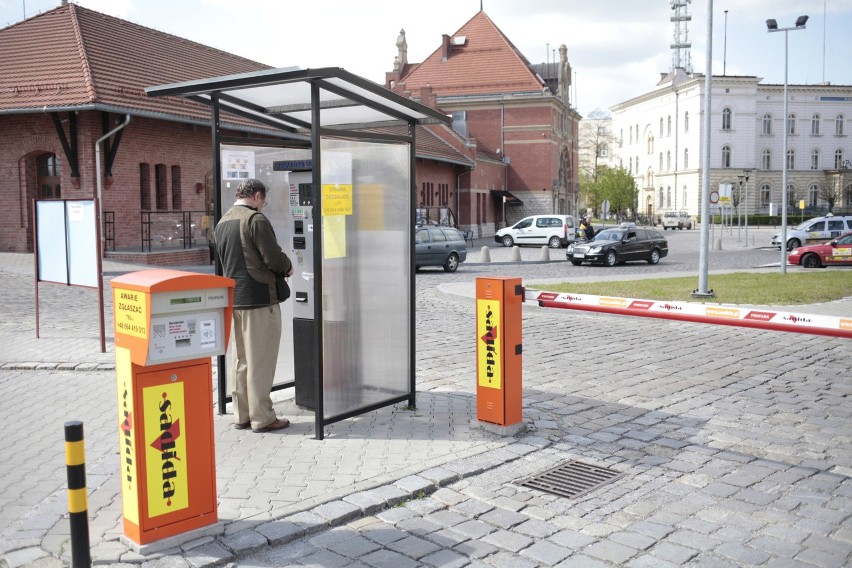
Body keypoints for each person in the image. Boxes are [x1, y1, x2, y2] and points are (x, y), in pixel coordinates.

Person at [214, 178, 293, 433]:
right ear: (257, 196)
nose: (264, 205)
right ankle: (263, 418)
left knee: (242, 360)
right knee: (261, 361)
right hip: (260, 299)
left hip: (235, 299)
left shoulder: (223, 221)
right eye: (264, 200)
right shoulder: (255, 220)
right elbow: (272, 257)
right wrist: (287, 266)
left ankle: (242, 415)